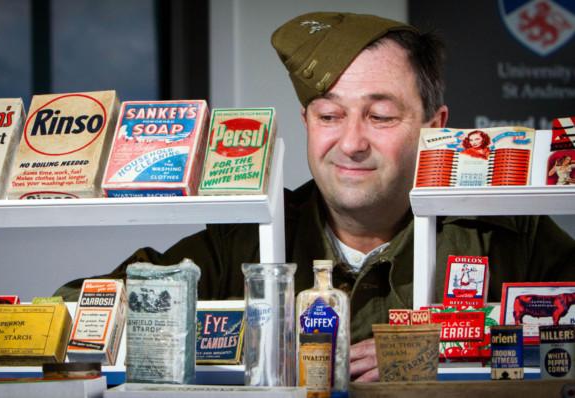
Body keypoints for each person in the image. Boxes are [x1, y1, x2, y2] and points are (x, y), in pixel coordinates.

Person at [55, 12, 575, 382]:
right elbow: (77, 308)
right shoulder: (243, 239)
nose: (350, 143)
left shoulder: (508, 234)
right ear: (305, 122)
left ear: (434, 127)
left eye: (382, 115)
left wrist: (464, 348)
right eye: (329, 116)